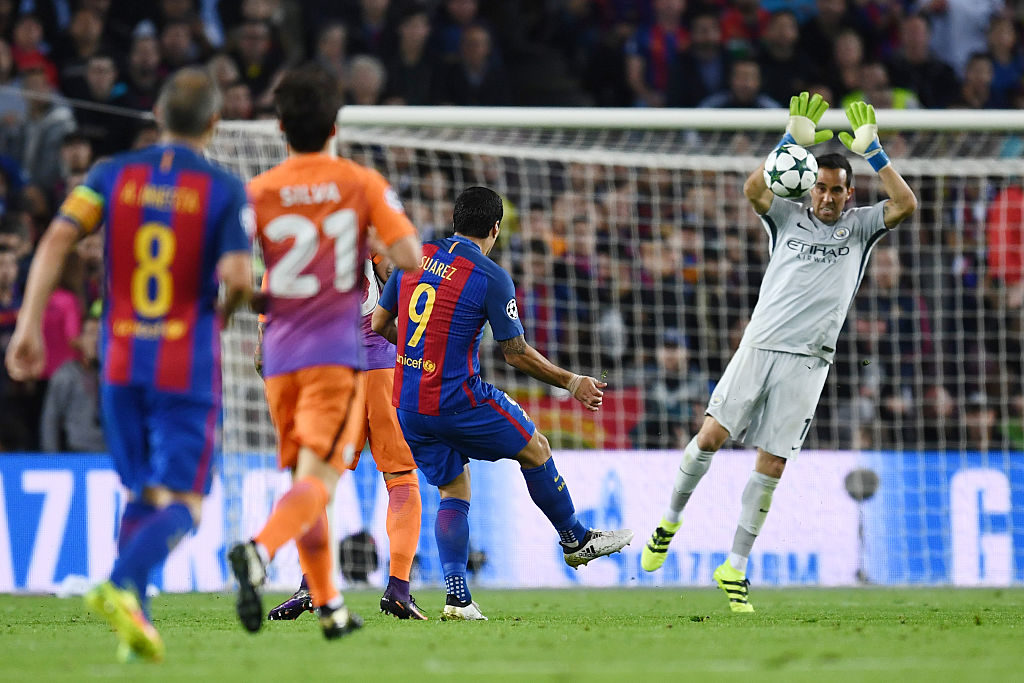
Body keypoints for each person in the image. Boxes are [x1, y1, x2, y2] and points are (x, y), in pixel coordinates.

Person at [5, 67, 254, 660]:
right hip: (183, 362)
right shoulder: (222, 188)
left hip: (118, 361)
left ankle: (133, 617)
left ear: (158, 118)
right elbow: (241, 278)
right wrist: (225, 312)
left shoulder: (109, 176)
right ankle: (120, 583)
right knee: (188, 505)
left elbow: (57, 240)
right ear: (214, 124)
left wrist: (27, 324)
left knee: (142, 490)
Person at [640, 92, 917, 612]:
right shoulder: (786, 218)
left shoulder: (860, 228)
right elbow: (752, 188)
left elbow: (905, 204)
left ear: (849, 194)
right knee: (711, 436)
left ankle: (735, 567)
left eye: (838, 191)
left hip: (811, 361)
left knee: (772, 464)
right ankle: (669, 522)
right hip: (760, 345)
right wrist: (791, 138)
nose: (829, 198)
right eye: (822, 189)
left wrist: (875, 152)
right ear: (809, 188)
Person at [371, 186, 633, 621]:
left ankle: (457, 598)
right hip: (457, 398)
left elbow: (380, 322)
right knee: (537, 448)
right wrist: (571, 381)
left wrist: (420, 356)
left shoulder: (412, 255)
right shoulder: (490, 276)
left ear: (456, 220)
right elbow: (515, 352)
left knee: (453, 490)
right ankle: (575, 539)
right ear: (496, 228)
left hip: (410, 405)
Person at [228, 63, 422, 641]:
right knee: (392, 475)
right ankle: (267, 552)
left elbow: (237, 282)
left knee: (304, 475)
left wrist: (261, 317)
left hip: (281, 352)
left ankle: (330, 602)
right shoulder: (357, 182)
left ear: (279, 126)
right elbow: (410, 257)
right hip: (350, 350)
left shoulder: (255, 192)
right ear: (335, 123)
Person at [264, 258, 428, 622]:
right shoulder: (366, 218)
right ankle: (399, 589)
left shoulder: (307, 225)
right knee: (401, 477)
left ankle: (311, 585)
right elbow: (397, 273)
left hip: (332, 369)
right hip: (385, 366)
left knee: (317, 479)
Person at [40, 313, 105, 452]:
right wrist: (52, 459)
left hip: (112, 453)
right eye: (91, 333)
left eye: (101, 334)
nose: (96, 340)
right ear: (79, 340)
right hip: (77, 453)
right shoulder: (66, 375)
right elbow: (51, 420)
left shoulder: (117, 378)